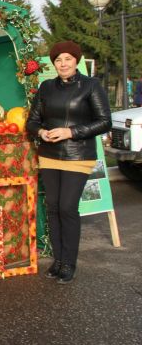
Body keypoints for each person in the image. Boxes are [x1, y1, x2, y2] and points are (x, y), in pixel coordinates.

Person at [26, 41, 111, 284]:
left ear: (76, 60)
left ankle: (69, 263)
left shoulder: (91, 86)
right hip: (49, 155)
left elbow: (104, 121)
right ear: (53, 64)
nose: (63, 64)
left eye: (67, 59)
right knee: (52, 207)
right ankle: (58, 260)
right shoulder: (46, 87)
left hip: (78, 156)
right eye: (58, 60)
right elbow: (32, 121)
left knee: (67, 207)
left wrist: (71, 132)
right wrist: (41, 133)